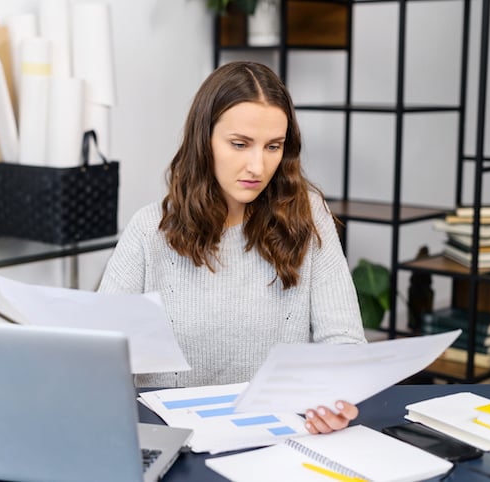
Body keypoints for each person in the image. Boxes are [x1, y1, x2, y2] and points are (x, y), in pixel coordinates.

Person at [98, 61, 366, 434]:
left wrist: (335, 397)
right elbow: (100, 356)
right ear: (203, 140)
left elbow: (344, 341)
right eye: (239, 144)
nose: (257, 166)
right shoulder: (149, 230)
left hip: (278, 435)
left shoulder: (309, 217)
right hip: (173, 438)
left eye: (273, 147)